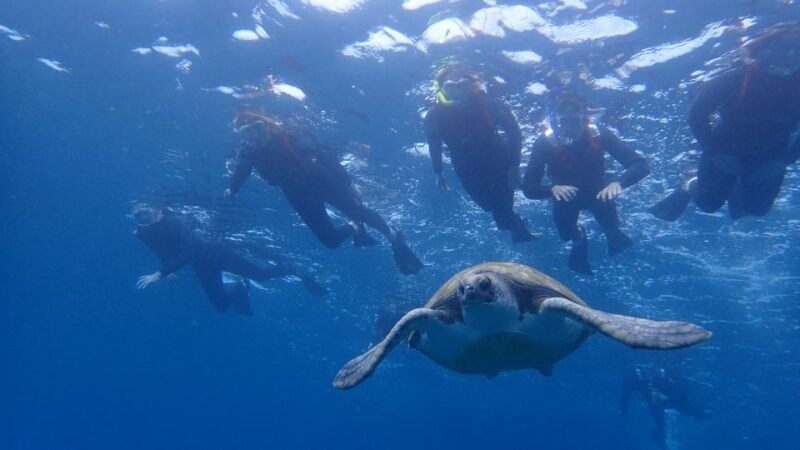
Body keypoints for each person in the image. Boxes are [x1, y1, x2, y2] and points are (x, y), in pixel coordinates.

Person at [224, 107, 423, 275]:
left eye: (258, 127)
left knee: (358, 210)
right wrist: (232, 190)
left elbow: (325, 155)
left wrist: (348, 183)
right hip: (297, 195)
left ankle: (394, 236)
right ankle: (355, 228)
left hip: (321, 180)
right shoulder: (249, 153)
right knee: (330, 241)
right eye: (247, 132)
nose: (255, 135)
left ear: (267, 125)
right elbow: (243, 170)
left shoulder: (289, 138)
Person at [650, 22, 800, 221]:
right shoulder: (735, 78)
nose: (790, 56)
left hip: (771, 154)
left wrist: (783, 161)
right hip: (726, 148)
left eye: (796, 50)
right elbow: (696, 114)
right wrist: (715, 152)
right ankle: (690, 185)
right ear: (765, 50)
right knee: (708, 204)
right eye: (784, 47)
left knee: (757, 209)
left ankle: (737, 185)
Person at [521, 93, 650, 275]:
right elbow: (528, 188)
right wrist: (552, 189)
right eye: (564, 121)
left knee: (612, 228)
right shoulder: (545, 142)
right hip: (565, 198)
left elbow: (641, 165)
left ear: (584, 118)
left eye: (574, 120)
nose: (569, 126)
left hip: (599, 193)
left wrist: (618, 183)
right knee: (567, 236)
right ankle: (579, 237)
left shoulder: (600, 134)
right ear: (557, 122)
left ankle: (612, 238)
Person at [133, 205, 327, 316]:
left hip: (216, 253)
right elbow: (162, 250)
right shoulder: (147, 233)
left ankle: (297, 271)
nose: (143, 217)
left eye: (146, 212)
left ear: (157, 210)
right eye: (137, 215)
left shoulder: (175, 221)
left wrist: (160, 273)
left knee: (260, 275)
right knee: (222, 307)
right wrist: (170, 270)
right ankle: (239, 286)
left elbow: (186, 252)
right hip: (201, 264)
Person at [423, 63, 540, 243]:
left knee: (502, 210)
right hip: (465, 165)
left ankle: (518, 227)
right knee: (491, 209)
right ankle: (517, 226)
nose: (457, 92)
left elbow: (514, 132)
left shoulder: (489, 104)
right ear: (441, 90)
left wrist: (515, 166)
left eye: (462, 85)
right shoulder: (434, 115)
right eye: (450, 87)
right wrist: (438, 172)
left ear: (472, 86)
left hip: (497, 158)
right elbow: (434, 144)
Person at [620, 366, 710, 449]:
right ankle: (660, 440)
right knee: (662, 422)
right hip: (660, 401)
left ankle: (700, 414)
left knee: (686, 411)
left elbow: (683, 390)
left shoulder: (669, 377)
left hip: (671, 398)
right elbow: (626, 393)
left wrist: (625, 410)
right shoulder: (642, 380)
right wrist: (624, 409)